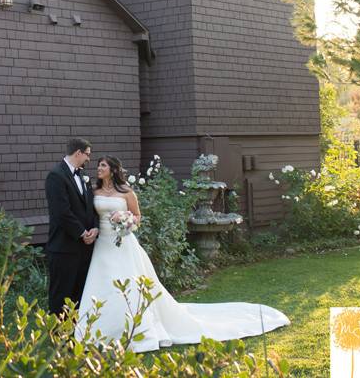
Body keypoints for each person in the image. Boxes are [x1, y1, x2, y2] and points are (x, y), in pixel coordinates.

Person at [76, 156, 290, 352]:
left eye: (103, 165)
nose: (99, 169)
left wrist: (126, 221)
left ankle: (137, 330)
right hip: (102, 244)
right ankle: (98, 331)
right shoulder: (93, 193)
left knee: (129, 285)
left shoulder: (126, 192)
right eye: (98, 166)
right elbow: (91, 217)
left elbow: (138, 216)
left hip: (124, 244)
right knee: (102, 283)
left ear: (113, 170)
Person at [45, 137, 99, 315]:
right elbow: (61, 212)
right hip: (64, 247)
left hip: (84, 248)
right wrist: (82, 232)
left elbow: (91, 206)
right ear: (78, 153)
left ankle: (74, 332)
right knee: (61, 294)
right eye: (87, 155)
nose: (89, 159)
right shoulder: (56, 176)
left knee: (78, 293)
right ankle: (56, 335)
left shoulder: (83, 175)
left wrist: (94, 228)